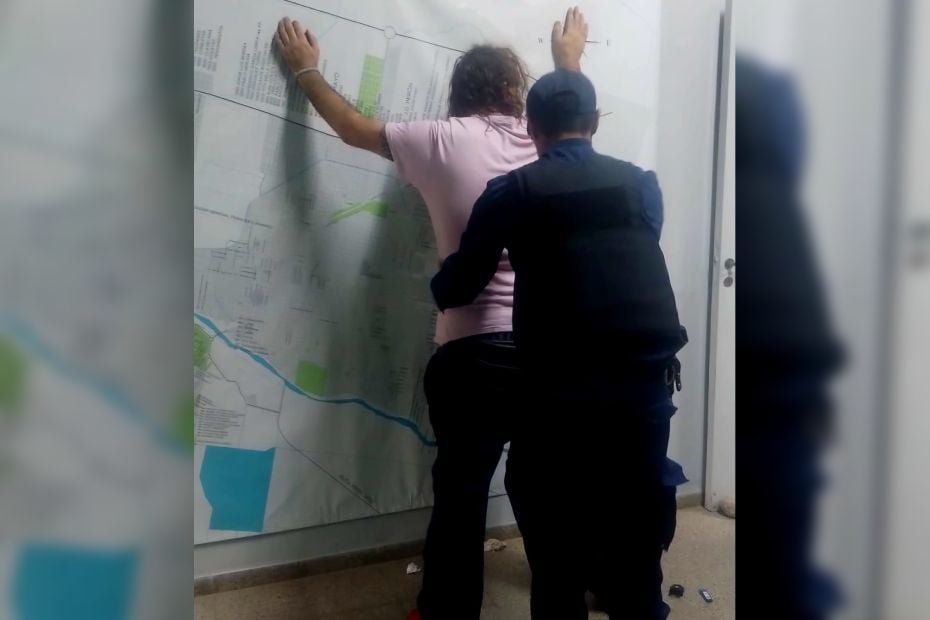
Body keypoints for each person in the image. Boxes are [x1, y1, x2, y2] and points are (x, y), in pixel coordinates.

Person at [273, 9, 590, 620]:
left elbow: (352, 128)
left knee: (461, 493)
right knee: (547, 493)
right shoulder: (548, 141)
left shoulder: (439, 140)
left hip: (472, 354)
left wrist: (306, 70)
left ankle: (446, 612)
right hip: (550, 351)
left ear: (459, 94)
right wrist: (568, 59)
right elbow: (575, 114)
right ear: (515, 90)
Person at [431, 69, 688, 619]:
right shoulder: (640, 184)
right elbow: (631, 252)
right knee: (637, 520)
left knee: (552, 530)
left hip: (559, 395)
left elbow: (462, 284)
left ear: (531, 128)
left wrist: (437, 285)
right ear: (594, 123)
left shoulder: (512, 191)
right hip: (645, 387)